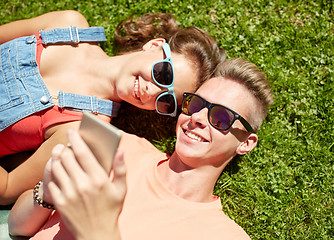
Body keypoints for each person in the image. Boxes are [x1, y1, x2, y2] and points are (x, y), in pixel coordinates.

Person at [8, 57, 274, 240]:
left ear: (245, 143)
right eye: (195, 105)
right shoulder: (120, 146)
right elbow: (17, 225)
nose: (198, 119)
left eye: (221, 118)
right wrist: (47, 191)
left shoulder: (223, 235)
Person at [0, 10, 225, 205]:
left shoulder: (83, 129)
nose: (152, 92)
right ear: (155, 46)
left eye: (166, 100)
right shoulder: (68, 25)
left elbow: (7, 189)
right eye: (163, 74)